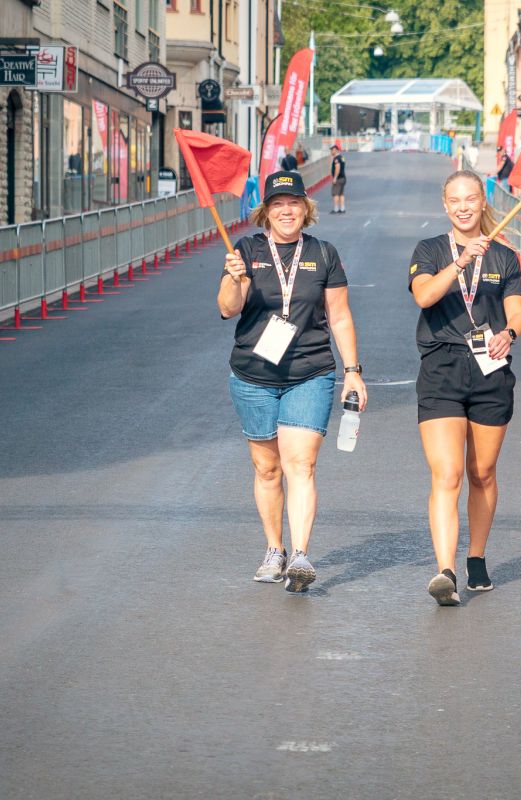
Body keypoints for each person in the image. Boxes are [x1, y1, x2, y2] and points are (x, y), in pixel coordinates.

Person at [219, 170, 367, 593]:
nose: (287, 210)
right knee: (267, 468)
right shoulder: (244, 250)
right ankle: (274, 550)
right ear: (266, 211)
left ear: (306, 208)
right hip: (253, 374)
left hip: (310, 371)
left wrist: (353, 371)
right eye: (278, 204)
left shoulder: (323, 253)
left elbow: (339, 316)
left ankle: (300, 553)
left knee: (300, 464)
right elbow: (228, 309)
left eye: (294, 203)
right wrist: (235, 278)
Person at [408, 169, 521, 606]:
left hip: (490, 368)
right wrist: (459, 261)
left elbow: (517, 313)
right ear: (445, 205)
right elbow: (424, 296)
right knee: (448, 473)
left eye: (471, 199)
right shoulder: (430, 250)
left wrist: (509, 334)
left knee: (482, 473)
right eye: (455, 200)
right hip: (441, 366)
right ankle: (445, 570)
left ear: (482, 202)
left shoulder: (504, 257)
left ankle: (476, 557)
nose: (463, 206)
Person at [330, 143, 347, 214]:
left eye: (332, 150)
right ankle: (342, 208)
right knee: (341, 194)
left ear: (335, 150)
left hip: (338, 178)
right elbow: (344, 163)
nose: (331, 152)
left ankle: (336, 209)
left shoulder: (336, 159)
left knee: (336, 194)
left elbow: (338, 167)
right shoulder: (342, 157)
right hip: (343, 177)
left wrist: (335, 178)